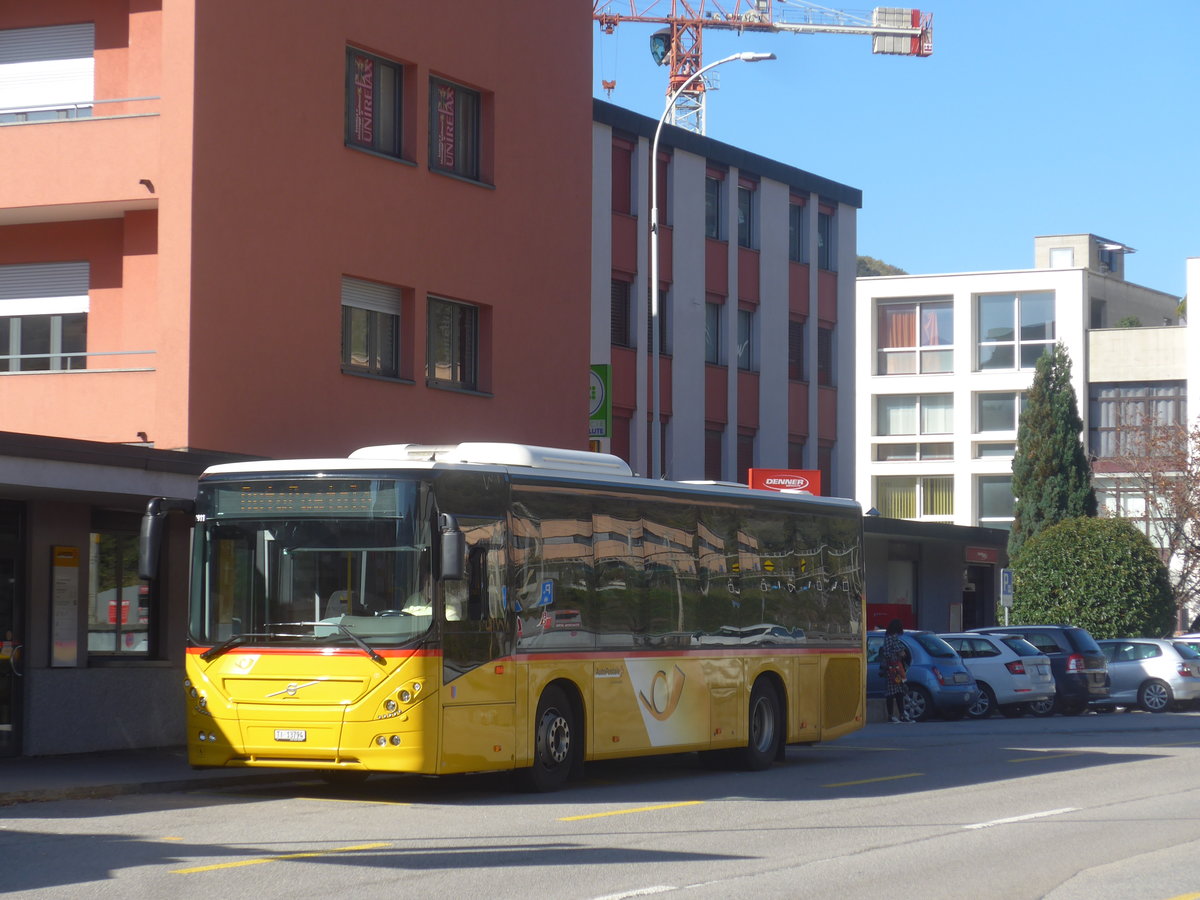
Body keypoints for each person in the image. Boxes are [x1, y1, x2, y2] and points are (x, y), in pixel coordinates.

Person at [880, 618, 913, 723]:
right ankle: (895, 715)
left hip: (893, 668)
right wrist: (898, 653)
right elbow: (898, 652)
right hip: (893, 669)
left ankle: (899, 714)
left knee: (897, 691)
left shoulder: (889, 638)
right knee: (894, 692)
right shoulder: (892, 638)